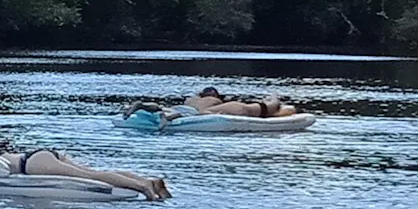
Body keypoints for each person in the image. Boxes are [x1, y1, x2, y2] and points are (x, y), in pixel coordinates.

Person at [0, 121, 169, 200]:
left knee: (92, 177)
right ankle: (149, 181)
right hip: (38, 155)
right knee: (91, 171)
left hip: (32, 164)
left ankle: (144, 186)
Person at [124, 86, 300, 124]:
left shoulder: (192, 99)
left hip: (183, 108)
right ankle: (167, 118)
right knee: (270, 106)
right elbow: (274, 107)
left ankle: (143, 106)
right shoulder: (220, 103)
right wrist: (274, 94)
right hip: (195, 113)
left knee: (162, 107)